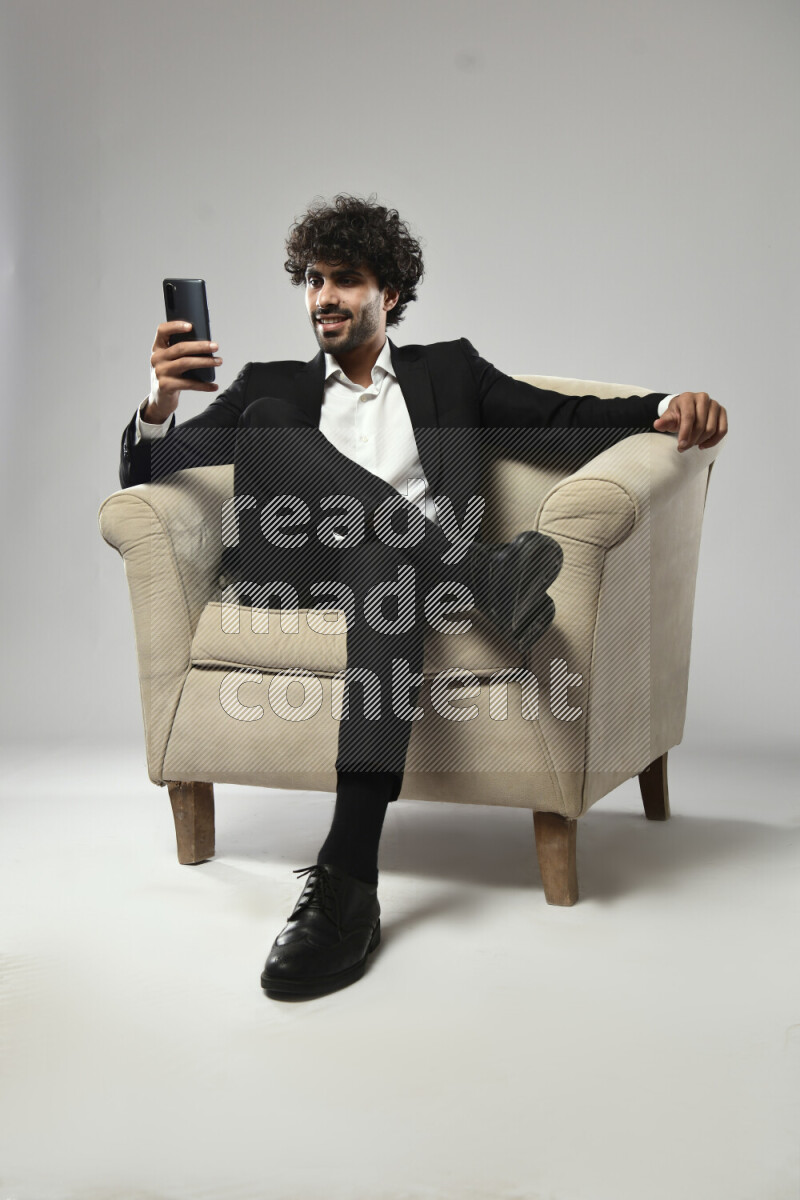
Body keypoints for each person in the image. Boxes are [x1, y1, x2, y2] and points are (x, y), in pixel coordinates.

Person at [119, 194, 728, 1000]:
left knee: (385, 564)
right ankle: (483, 572)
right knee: (267, 420)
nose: (322, 297)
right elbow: (153, 470)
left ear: (391, 294)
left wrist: (664, 408)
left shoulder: (451, 373)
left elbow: (561, 419)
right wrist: (160, 404)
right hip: (298, 566)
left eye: (344, 279)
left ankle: (347, 879)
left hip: (396, 581)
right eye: (311, 280)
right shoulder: (273, 385)